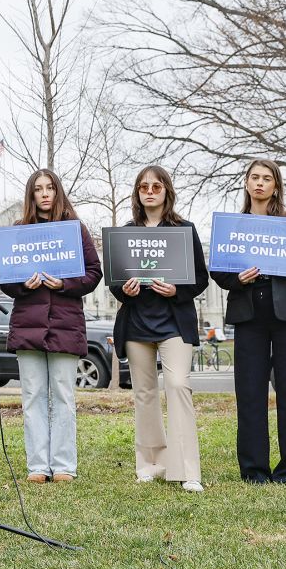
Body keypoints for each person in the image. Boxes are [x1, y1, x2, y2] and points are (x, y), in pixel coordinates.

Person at [211, 159, 286, 484]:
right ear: (246, 183)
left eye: (267, 178)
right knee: (249, 394)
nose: (260, 183)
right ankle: (254, 469)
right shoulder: (232, 225)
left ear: (276, 185)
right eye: (254, 177)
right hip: (248, 317)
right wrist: (237, 279)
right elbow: (217, 271)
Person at [108, 166, 209, 493]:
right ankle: (151, 463)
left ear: (166, 190)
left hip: (174, 323)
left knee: (178, 385)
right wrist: (127, 290)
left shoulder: (184, 230)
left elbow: (200, 279)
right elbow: (115, 283)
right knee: (145, 394)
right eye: (143, 187)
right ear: (137, 193)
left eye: (156, 186)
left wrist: (176, 290)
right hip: (137, 323)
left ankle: (187, 468)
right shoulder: (125, 232)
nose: (149, 191)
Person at [0, 168, 102, 484]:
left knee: (62, 395)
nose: (44, 194)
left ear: (58, 192)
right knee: (32, 396)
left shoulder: (75, 230)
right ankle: (37, 466)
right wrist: (23, 286)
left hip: (65, 325)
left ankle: (64, 466)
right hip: (28, 324)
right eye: (38, 189)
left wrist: (65, 284)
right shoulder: (19, 231)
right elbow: (7, 281)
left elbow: (93, 273)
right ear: (31, 196)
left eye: (49, 188)